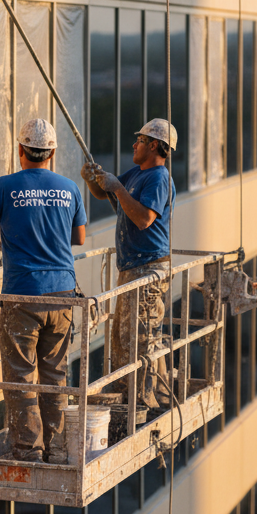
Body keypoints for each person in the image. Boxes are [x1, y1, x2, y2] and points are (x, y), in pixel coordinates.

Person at [0, 119, 87, 464]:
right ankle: (58, 448)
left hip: (22, 297)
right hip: (62, 294)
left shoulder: (4, 187)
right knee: (55, 376)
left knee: (21, 377)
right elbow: (78, 238)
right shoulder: (69, 188)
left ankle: (29, 452)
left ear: (20, 151)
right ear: (51, 153)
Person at [81, 118, 177, 411]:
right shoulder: (138, 173)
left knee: (140, 340)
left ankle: (145, 402)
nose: (134, 145)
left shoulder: (158, 178)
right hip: (132, 268)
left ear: (155, 146)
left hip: (148, 269)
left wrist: (118, 188)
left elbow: (144, 219)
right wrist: (93, 180)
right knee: (123, 339)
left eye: (140, 140)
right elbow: (105, 192)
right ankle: (131, 398)